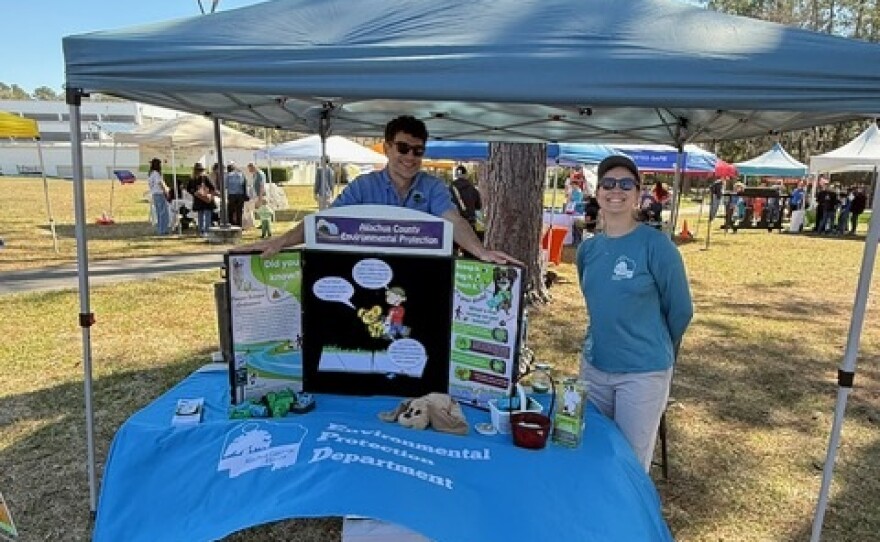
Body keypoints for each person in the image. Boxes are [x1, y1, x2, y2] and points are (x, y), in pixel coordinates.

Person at [239, 115, 517, 264]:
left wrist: (481, 252)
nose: (410, 157)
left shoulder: (433, 187)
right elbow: (325, 223)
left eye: (418, 150)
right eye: (403, 148)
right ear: (386, 148)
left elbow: (453, 220)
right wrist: (279, 241)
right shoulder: (363, 186)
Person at [576, 154, 693, 472]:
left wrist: (650, 346)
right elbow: (596, 304)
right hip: (594, 368)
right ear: (597, 192)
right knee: (591, 452)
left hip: (642, 374)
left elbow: (680, 310)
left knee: (628, 464)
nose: (617, 190)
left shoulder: (657, 246)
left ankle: (625, 522)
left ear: (639, 192)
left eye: (626, 183)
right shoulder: (588, 249)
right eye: (608, 183)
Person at [450, 165, 483, 236]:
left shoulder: (450, 189)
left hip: (455, 221)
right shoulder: (473, 189)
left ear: (456, 175)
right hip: (470, 221)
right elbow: (478, 206)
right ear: (466, 175)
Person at [186, 162, 217, 237]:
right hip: (206, 198)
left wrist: (194, 192)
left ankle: (201, 231)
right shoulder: (205, 177)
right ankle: (206, 231)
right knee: (207, 216)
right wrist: (210, 194)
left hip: (198, 199)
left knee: (200, 216)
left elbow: (188, 189)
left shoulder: (192, 178)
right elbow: (212, 188)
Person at [147, 158, 170, 236]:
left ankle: (161, 229)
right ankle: (163, 230)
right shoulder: (156, 174)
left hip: (154, 194)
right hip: (160, 193)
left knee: (159, 212)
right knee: (163, 213)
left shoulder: (151, 174)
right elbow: (160, 183)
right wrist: (166, 192)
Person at [225, 161, 248, 227]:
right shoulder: (241, 174)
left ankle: (231, 225)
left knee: (230, 212)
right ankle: (239, 226)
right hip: (240, 195)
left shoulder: (228, 175)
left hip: (231, 195)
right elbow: (244, 184)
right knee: (239, 212)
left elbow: (225, 186)